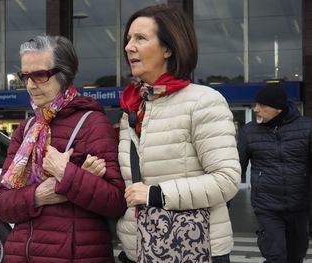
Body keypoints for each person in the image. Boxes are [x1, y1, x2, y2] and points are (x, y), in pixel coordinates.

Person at [115, 4, 241, 263]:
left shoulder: (203, 101)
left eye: (140, 38)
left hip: (193, 250)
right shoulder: (133, 107)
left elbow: (227, 180)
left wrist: (156, 194)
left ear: (168, 48)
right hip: (139, 249)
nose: (129, 47)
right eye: (128, 39)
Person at [0, 35, 126, 263]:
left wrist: (67, 175)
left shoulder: (93, 124)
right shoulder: (27, 129)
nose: (30, 85)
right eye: (25, 76)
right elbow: (0, 204)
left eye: (40, 75)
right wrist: (38, 195)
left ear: (63, 75)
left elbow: (116, 202)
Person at [237, 83, 312, 263]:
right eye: (256, 104)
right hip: (267, 208)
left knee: (296, 256)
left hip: (300, 207)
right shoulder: (249, 132)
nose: (256, 109)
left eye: (262, 105)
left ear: (278, 108)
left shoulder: (307, 128)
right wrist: (224, 200)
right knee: (275, 256)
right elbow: (236, 167)